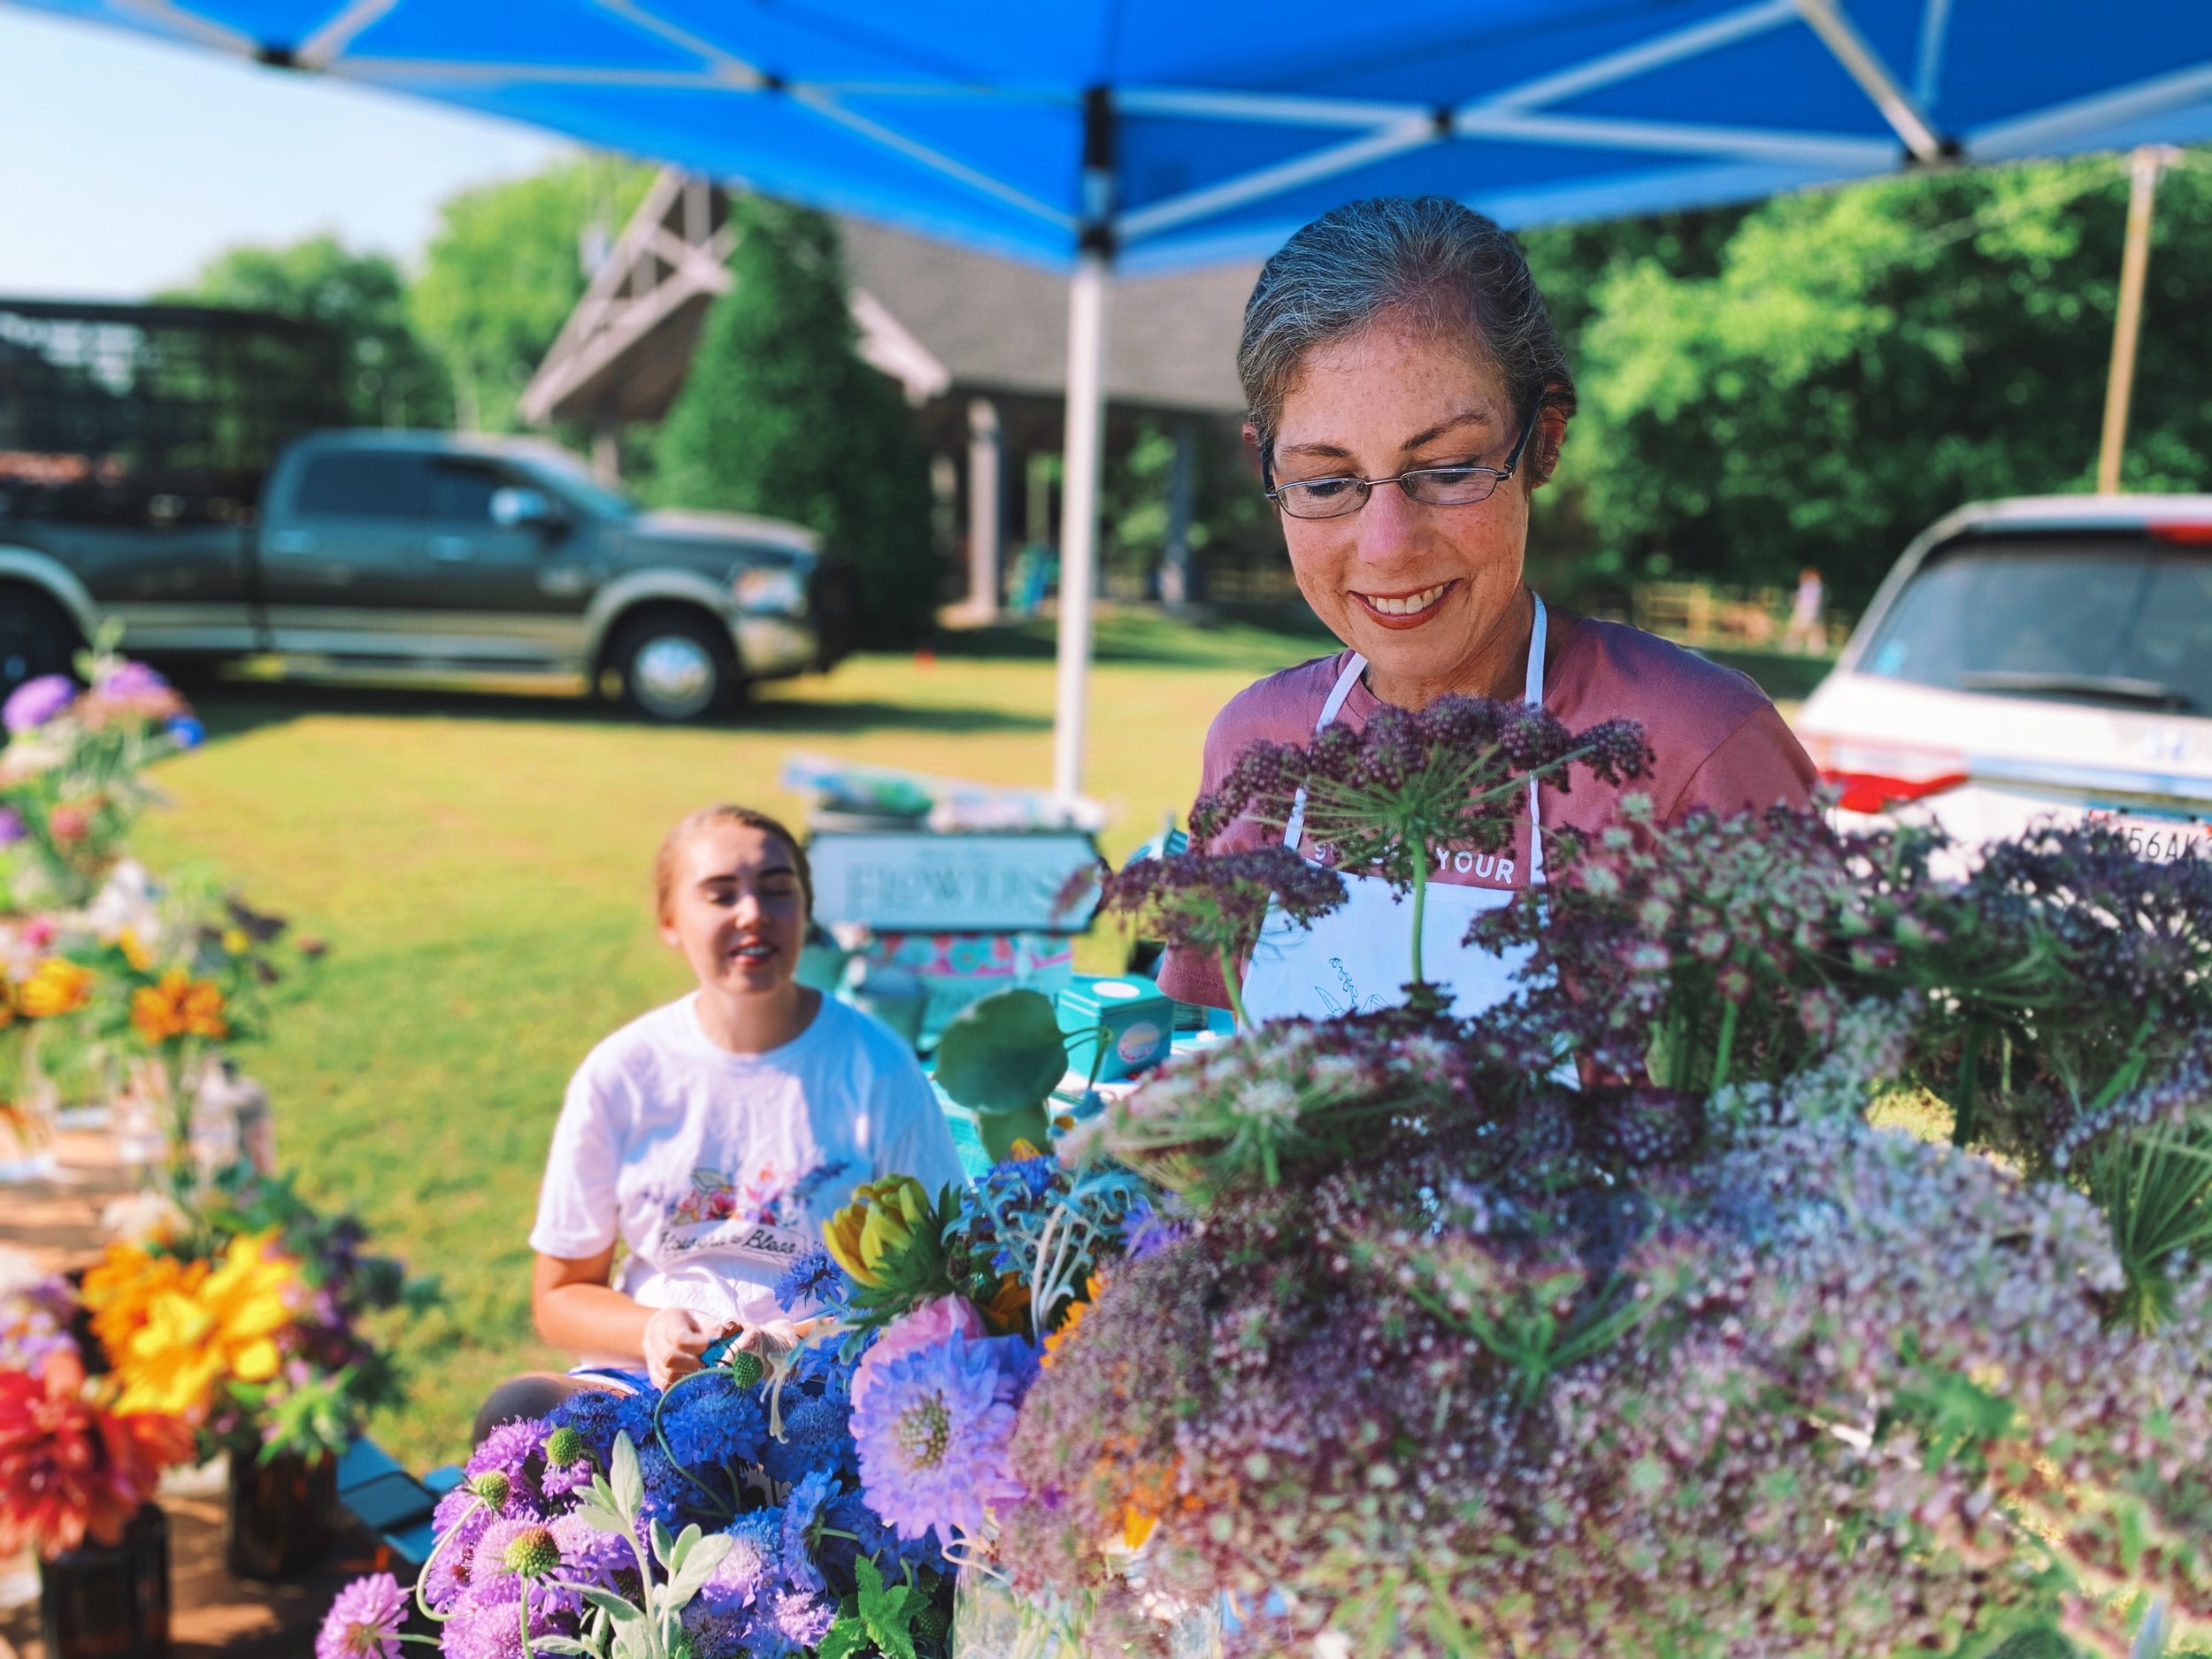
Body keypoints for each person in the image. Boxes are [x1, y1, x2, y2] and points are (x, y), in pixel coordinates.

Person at [1158, 196, 1817, 1022]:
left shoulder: (1695, 750)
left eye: (1448, 467)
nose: (1389, 545)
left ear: (1544, 437)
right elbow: (1197, 1070)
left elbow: (1805, 1115)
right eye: (1326, 483)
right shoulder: (1256, 748)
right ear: (1268, 467)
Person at [472, 804, 964, 1440]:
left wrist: (804, 1341)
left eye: (777, 889)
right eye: (721, 893)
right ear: (670, 920)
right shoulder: (623, 1074)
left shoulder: (877, 1067)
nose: (753, 912)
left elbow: (944, 1279)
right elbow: (560, 1294)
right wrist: (653, 1328)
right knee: (514, 1410)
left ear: (806, 910)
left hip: (827, 1386)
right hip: (646, 1389)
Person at [1786, 565, 1827, 652]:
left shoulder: (1815, 588)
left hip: (1809, 612)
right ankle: (1791, 646)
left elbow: (1815, 602)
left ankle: (1816, 648)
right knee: (1797, 631)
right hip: (1803, 612)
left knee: (1812, 632)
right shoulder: (1806, 587)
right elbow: (1799, 600)